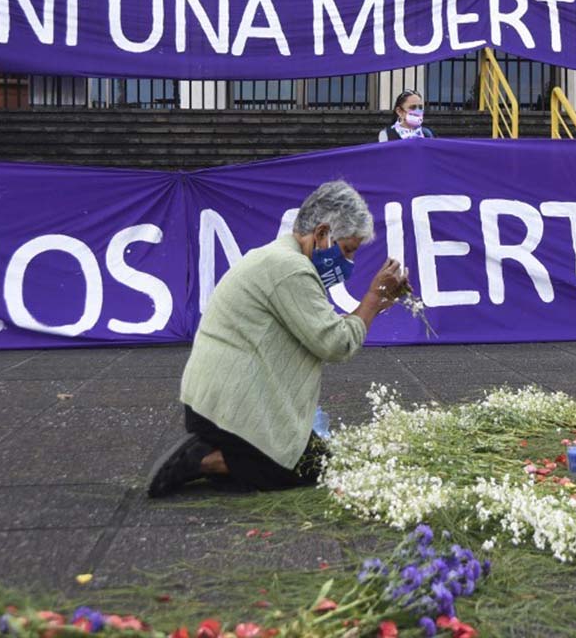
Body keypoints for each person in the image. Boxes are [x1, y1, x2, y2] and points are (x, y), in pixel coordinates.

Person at [147, 180, 407, 498]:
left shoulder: (280, 258)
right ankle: (205, 459)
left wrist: (374, 305)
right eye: (348, 249)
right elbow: (336, 344)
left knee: (317, 459)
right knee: (309, 468)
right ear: (323, 234)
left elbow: (317, 328)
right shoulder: (290, 269)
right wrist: (370, 300)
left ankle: (231, 450)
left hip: (217, 401)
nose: (349, 262)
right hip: (226, 406)